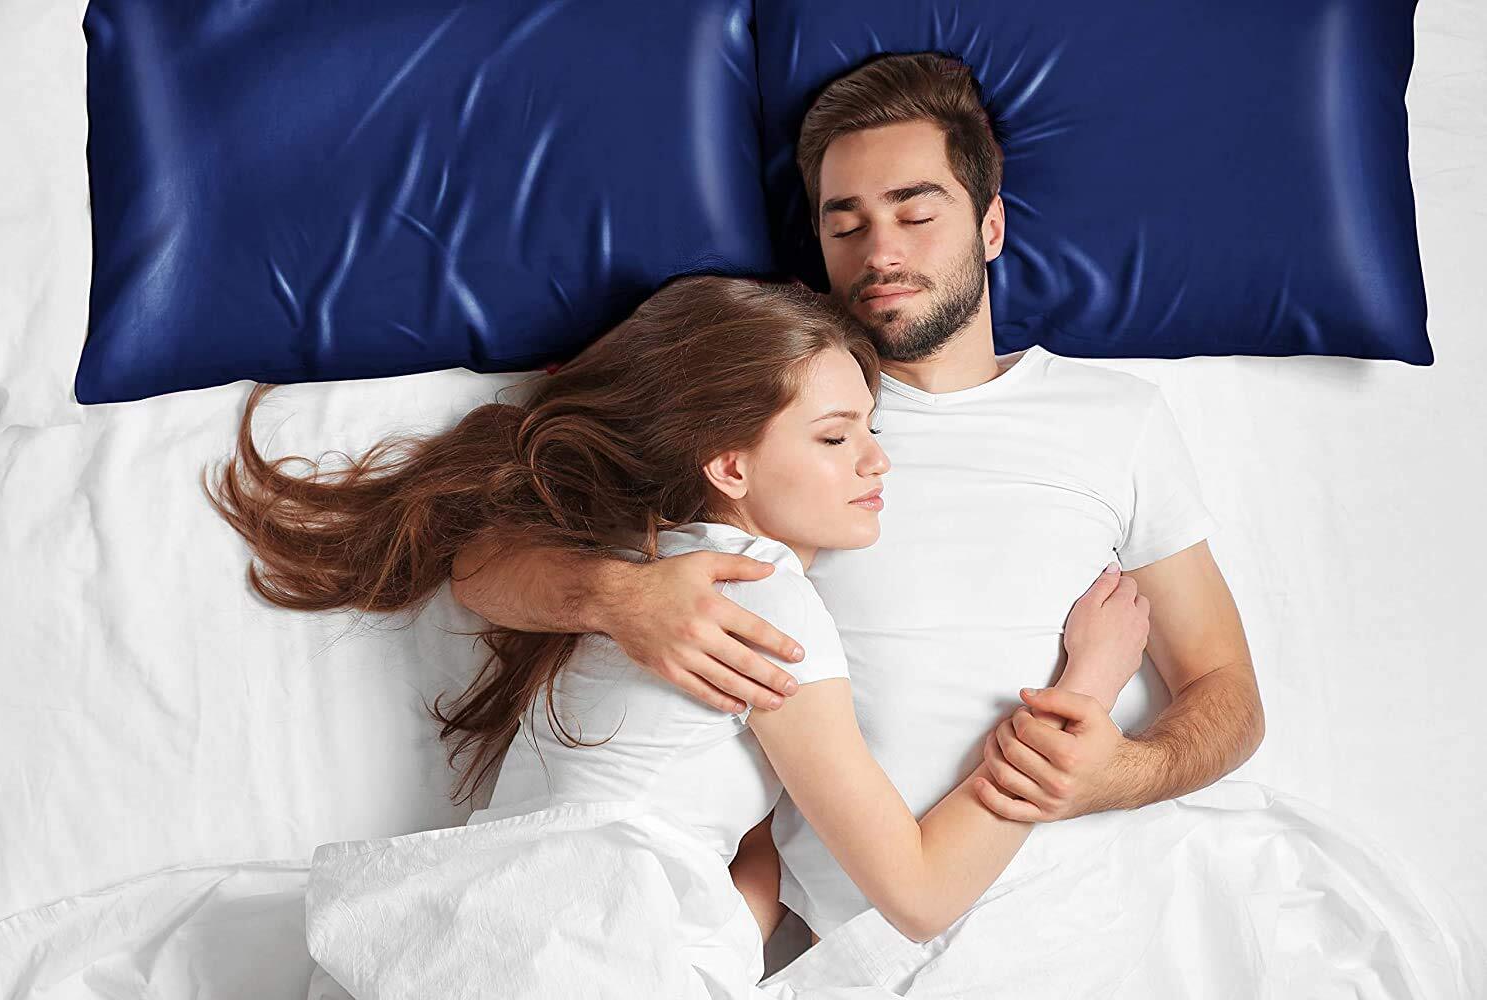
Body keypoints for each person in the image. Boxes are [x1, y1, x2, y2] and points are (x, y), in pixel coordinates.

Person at [449, 52, 1263, 947]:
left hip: (1092, 894)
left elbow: (1225, 690)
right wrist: (618, 596)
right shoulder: (775, 410)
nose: (881, 254)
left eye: (916, 214)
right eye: (846, 225)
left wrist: (1122, 774)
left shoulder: (1116, 417)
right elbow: (481, 567)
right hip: (872, 927)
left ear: (990, 225)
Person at [205, 276, 1150, 996]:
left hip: (487, 919)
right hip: (589, 945)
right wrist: (1090, 686)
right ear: (730, 465)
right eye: (835, 438)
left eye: (870, 428)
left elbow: (479, 570)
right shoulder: (765, 601)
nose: (878, 460)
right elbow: (920, 894)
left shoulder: (641, 553)